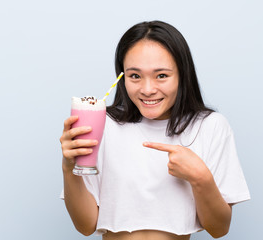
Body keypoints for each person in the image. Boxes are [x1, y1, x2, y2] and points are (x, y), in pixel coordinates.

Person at [60, 20, 250, 240]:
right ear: (122, 77)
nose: (147, 89)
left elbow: (219, 229)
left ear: (182, 75)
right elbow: (86, 226)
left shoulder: (210, 126)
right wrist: (68, 167)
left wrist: (200, 178)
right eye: (135, 76)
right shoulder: (103, 124)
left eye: (161, 75)